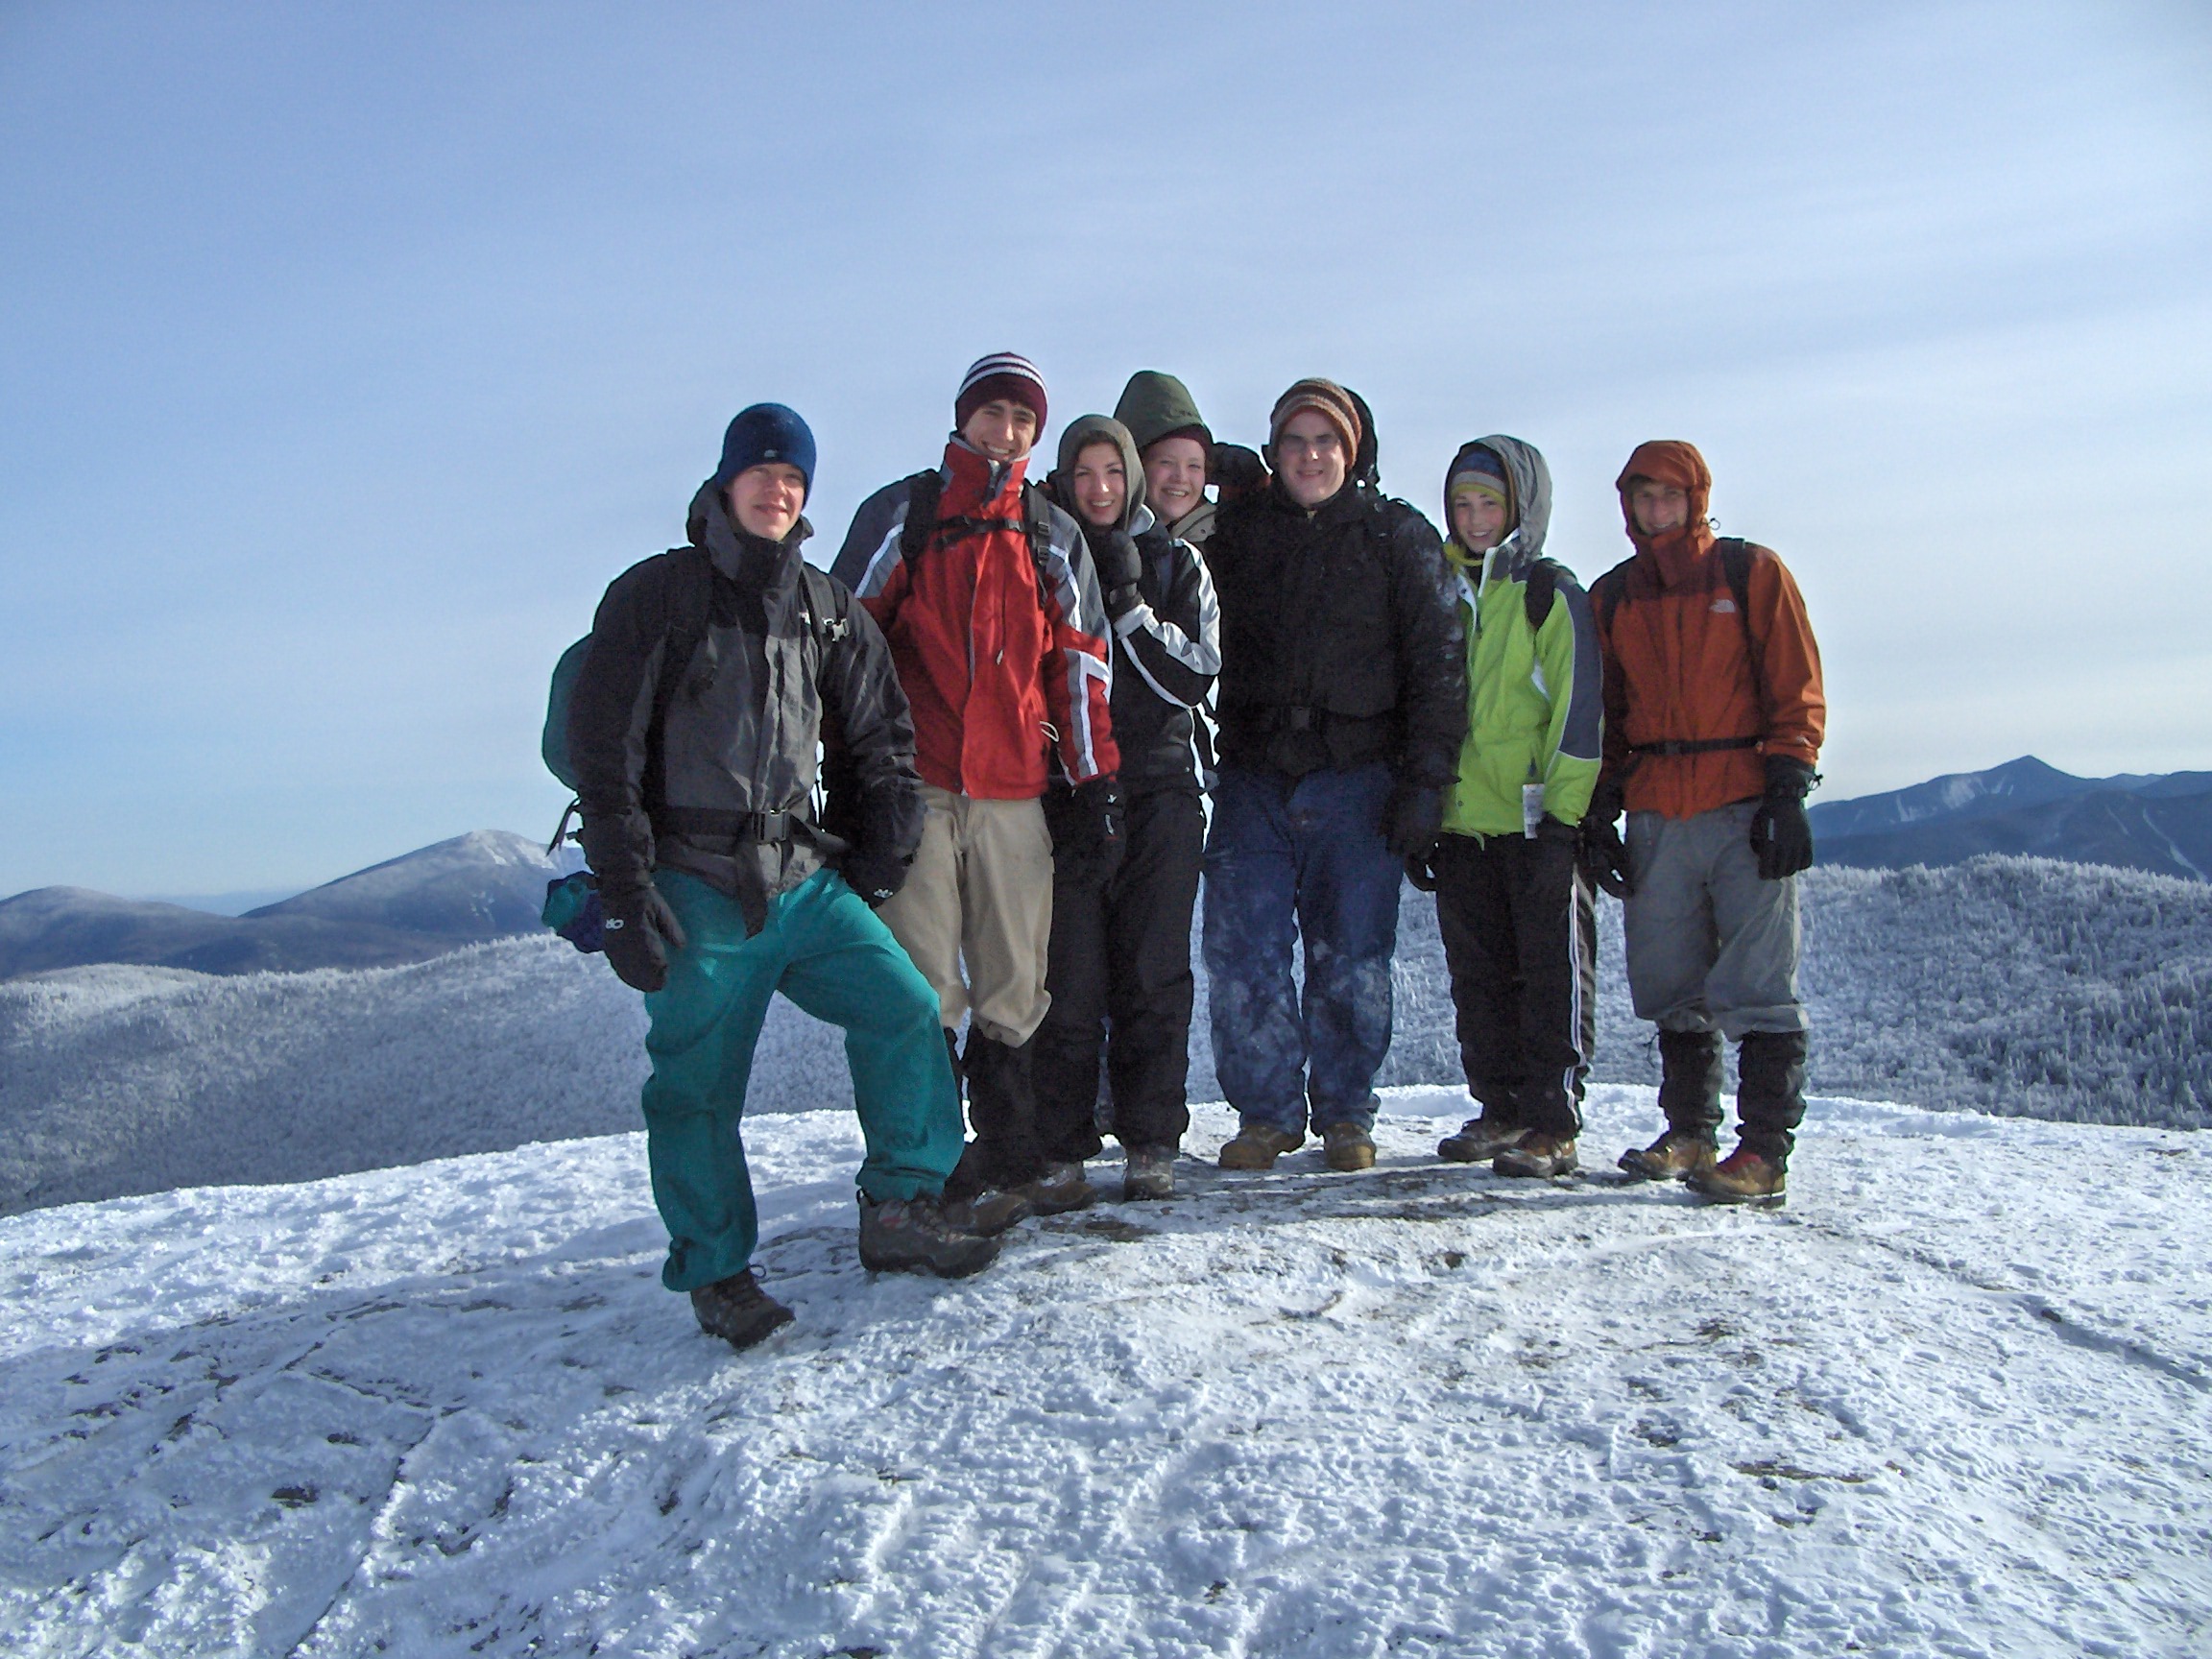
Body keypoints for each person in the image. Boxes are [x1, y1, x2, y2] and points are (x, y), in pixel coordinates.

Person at [565, 403, 999, 1353]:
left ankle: (899, 1208)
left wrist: (879, 849)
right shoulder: (656, 597)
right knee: (697, 1085)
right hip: (693, 882)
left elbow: (880, 732)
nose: (779, 488)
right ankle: (717, 1269)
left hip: (803, 879)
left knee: (900, 1008)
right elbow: (606, 757)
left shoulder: (823, 605)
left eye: (795, 478)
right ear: (727, 482)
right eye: (762, 472)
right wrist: (628, 895)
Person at [831, 353, 1124, 1226]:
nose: (1006, 432)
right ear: (963, 418)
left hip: (1012, 793)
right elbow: (846, 642)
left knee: (1014, 983)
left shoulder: (1050, 532)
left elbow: (1079, 666)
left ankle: (1009, 1149)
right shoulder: (906, 513)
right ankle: (924, 1167)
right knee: (921, 989)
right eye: (992, 413)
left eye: (1022, 419)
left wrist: (1093, 781)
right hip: (918, 789)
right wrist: (854, 775)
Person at [1202, 378, 1466, 1173]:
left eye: (1327, 443)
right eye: (1295, 442)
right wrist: (1193, 463)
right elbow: (1166, 542)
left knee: (1352, 951)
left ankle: (1347, 1113)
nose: (1310, 457)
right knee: (1243, 951)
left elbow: (1438, 665)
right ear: (1275, 452)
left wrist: (1427, 783)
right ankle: (1265, 1114)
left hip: (1359, 777)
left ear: (1354, 454)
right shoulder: (1241, 533)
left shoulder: (1397, 537)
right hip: (1253, 773)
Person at [1586, 441, 1826, 1206]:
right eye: (1642, 497)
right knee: (1670, 979)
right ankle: (1691, 1133)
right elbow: (1606, 712)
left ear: (1696, 498)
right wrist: (1600, 809)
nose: (1655, 510)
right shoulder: (1615, 595)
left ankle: (1763, 1152)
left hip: (1743, 799)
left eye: (1668, 496)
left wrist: (1787, 787)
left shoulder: (1750, 574)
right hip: (1657, 802)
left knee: (1758, 981)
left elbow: (1795, 682)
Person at [1035, 415, 1220, 1200]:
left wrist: (1128, 601)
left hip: (1161, 789)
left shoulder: (1179, 563)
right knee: (1068, 977)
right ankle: (1063, 1144)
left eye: (1114, 472)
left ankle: (1151, 1141)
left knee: (1152, 973)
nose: (1100, 489)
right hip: (1065, 794)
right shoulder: (1039, 553)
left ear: (1134, 479)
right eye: (1084, 474)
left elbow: (1192, 676)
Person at [1410, 439, 1601, 1178]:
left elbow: (1578, 714)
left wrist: (1565, 821)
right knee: (1479, 979)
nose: (1476, 517)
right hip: (1464, 825)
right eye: (1462, 503)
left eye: (1490, 502)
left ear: (1520, 505)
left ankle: (1553, 1122)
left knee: (1548, 975)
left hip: (1536, 827)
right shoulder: (1444, 591)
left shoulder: (1547, 592)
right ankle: (1500, 1109)